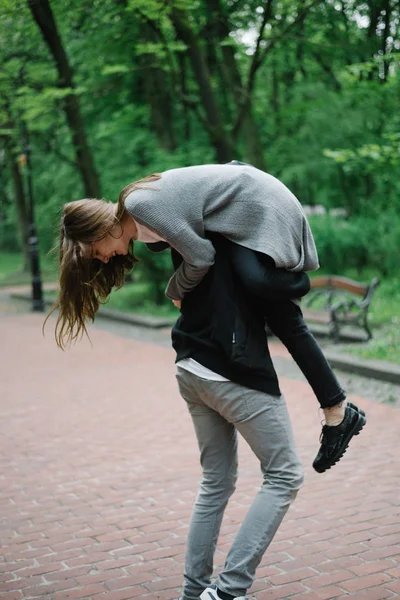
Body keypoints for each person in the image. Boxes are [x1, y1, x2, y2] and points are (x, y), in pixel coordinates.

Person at [49, 161, 366, 473]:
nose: (103, 258)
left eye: (95, 250)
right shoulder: (144, 228)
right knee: (280, 314)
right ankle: (337, 411)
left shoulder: (139, 205)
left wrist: (176, 289)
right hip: (236, 215)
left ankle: (305, 284)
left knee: (260, 285)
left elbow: (201, 256)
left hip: (259, 203)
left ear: (100, 228)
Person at [172, 232, 305, 600]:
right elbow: (278, 301)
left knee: (215, 481)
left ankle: (194, 591)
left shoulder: (193, 232)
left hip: (189, 366)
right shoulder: (247, 242)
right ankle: (228, 592)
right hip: (232, 373)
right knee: (284, 474)